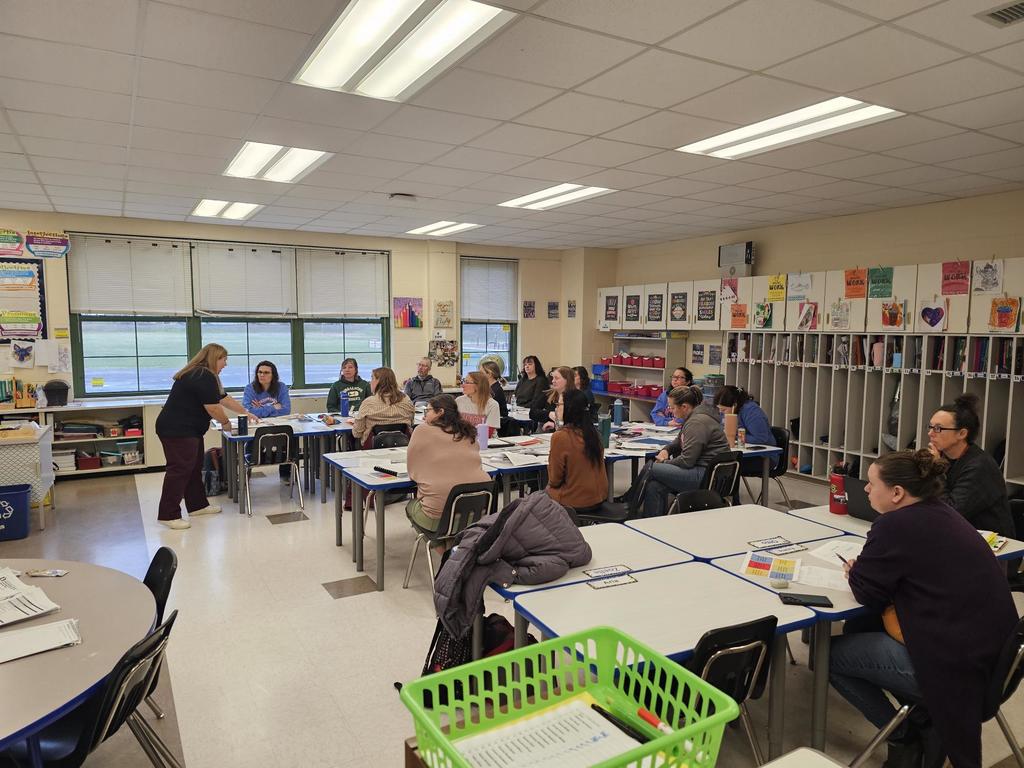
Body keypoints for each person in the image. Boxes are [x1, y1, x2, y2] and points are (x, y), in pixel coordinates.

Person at [829, 450, 1017, 768]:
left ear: (897, 493)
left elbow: (867, 592)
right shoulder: (940, 513)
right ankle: (920, 719)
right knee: (859, 629)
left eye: (872, 483)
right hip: (994, 660)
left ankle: (904, 735)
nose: (865, 489)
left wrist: (854, 571)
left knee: (827, 656)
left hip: (955, 671)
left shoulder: (896, 526)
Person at [154, 344, 253, 529]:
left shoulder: (206, 376)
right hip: (178, 430)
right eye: (224, 359)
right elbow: (213, 408)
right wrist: (225, 422)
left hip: (189, 430)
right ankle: (168, 514)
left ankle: (197, 505)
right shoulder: (202, 375)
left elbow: (223, 398)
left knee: (193, 467)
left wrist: (246, 412)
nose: (225, 364)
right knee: (180, 470)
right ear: (214, 358)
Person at [926, 393, 1014, 537]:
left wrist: (936, 470)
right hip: (956, 536)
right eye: (930, 427)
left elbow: (950, 512)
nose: (930, 433)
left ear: (962, 433)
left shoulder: (979, 466)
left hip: (989, 548)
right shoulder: (944, 457)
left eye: (938, 429)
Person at [405, 394, 490, 532]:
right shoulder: (467, 431)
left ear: (440, 412)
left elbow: (413, 472)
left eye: (428, 411)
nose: (425, 416)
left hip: (440, 514)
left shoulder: (422, 430)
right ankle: (456, 547)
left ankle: (445, 550)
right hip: (479, 509)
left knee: (411, 507)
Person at [643, 386, 731, 518]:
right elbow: (679, 441)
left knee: (650, 468)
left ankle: (628, 504)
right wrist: (666, 450)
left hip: (705, 475)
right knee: (654, 486)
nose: (670, 411)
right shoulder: (694, 417)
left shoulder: (697, 422)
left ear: (684, 407)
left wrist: (665, 462)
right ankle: (651, 522)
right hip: (705, 471)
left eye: (672, 408)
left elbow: (687, 461)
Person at [546, 390, 607, 512]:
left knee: (534, 502)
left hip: (575, 500)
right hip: (598, 497)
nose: (556, 409)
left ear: (569, 408)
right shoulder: (594, 433)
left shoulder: (560, 437)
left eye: (559, 405)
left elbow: (554, 480)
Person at [242, 360, 293, 482]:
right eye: (259, 372)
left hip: (278, 426)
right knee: (250, 443)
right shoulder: (250, 389)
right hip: (256, 428)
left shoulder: (281, 387)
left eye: (266, 372)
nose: (262, 375)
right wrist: (273, 407)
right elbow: (248, 412)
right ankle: (247, 474)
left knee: (291, 438)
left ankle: (285, 475)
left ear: (273, 375)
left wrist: (260, 409)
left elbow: (286, 410)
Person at [351, 367, 415, 445]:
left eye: (372, 378)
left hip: (372, 447)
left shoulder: (368, 403)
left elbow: (357, 433)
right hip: (403, 445)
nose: (370, 382)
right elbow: (411, 422)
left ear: (379, 381)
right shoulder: (406, 400)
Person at [529, 366, 576, 431]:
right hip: (546, 432)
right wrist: (549, 414)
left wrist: (556, 425)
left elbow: (576, 422)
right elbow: (532, 413)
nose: (553, 381)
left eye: (556, 378)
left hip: (567, 434)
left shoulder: (576, 397)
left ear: (567, 380)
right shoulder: (548, 394)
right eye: (553, 378)